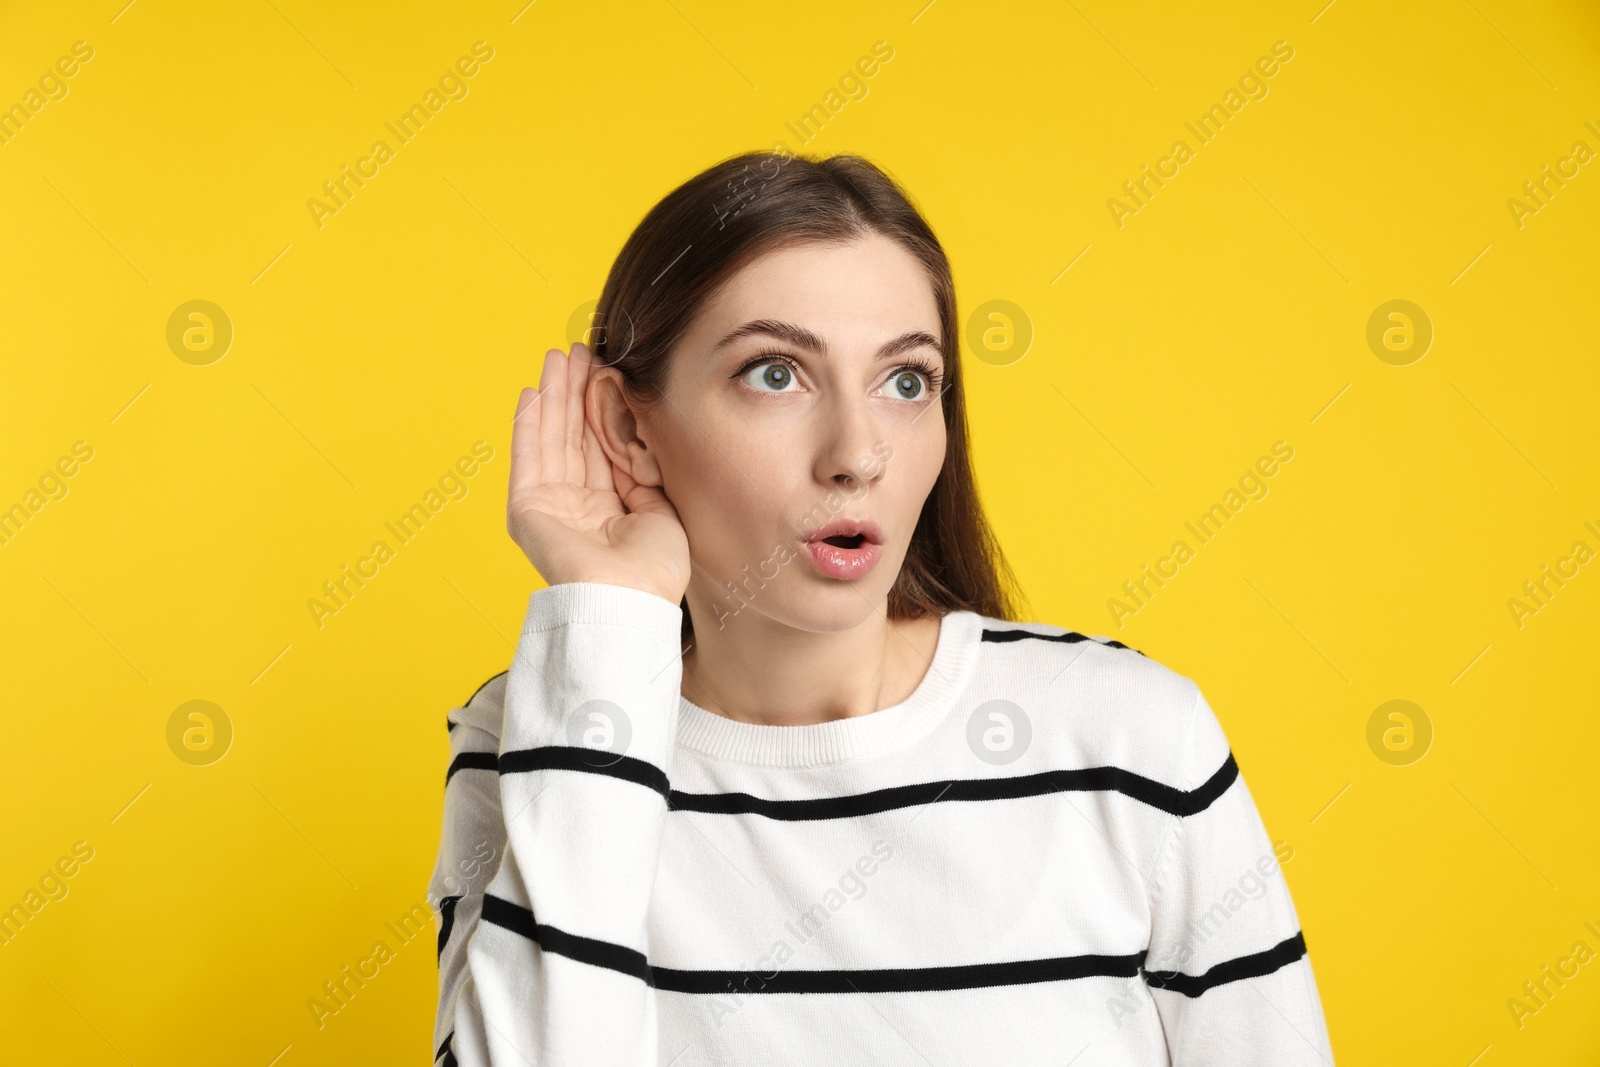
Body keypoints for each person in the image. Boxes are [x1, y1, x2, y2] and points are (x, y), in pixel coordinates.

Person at [428, 151, 1335, 1065]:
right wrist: (609, 619)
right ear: (630, 427)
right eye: (775, 373)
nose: (857, 454)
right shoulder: (541, 736)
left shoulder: (1131, 740)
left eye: (906, 382)